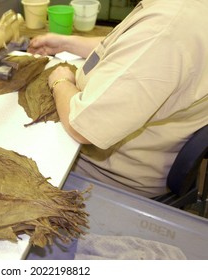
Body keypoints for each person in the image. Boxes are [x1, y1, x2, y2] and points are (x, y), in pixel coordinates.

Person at [27, 0, 208, 198]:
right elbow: (130, 47)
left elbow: (85, 126)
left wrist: (60, 82)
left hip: (110, 175)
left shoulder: (168, 28)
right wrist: (66, 43)